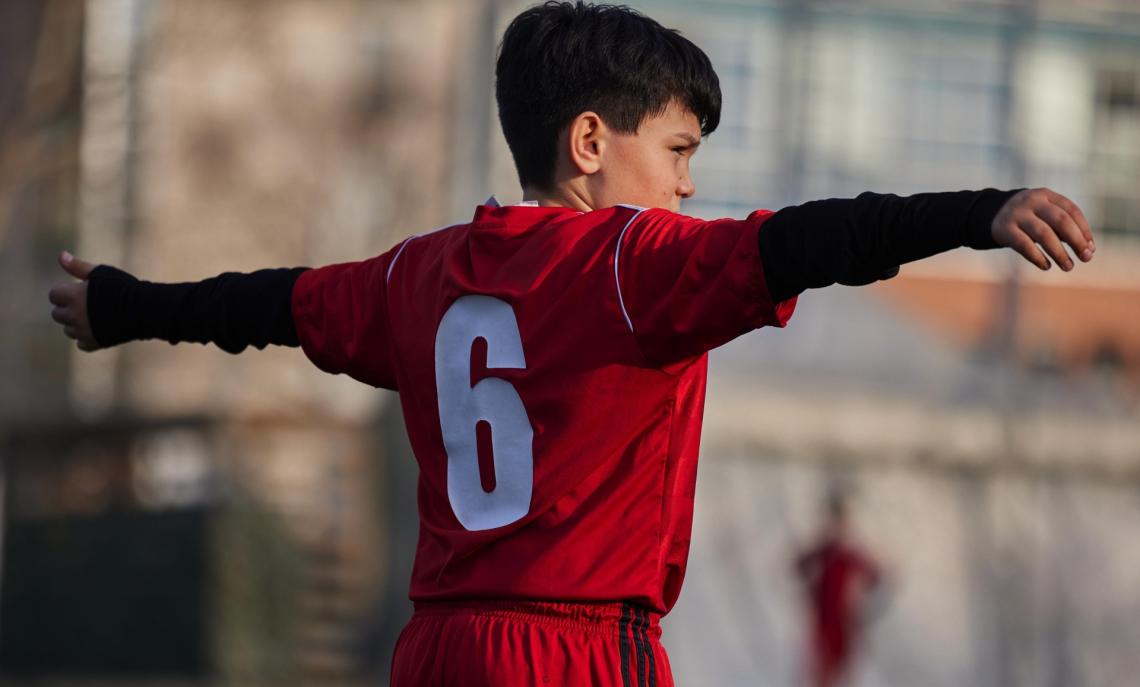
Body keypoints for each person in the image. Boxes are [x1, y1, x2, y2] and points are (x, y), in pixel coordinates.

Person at [48, 2, 1095, 685]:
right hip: (576, 647)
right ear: (590, 141)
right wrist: (980, 210)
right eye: (677, 148)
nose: (687, 181)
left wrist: (126, 306)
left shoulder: (414, 274)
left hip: (437, 646)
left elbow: (267, 305)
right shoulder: (633, 265)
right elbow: (814, 238)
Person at [795, 488, 886, 687]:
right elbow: (800, 566)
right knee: (824, 668)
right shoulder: (825, 550)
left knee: (839, 667)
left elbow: (874, 576)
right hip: (824, 619)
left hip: (842, 621)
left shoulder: (847, 553)